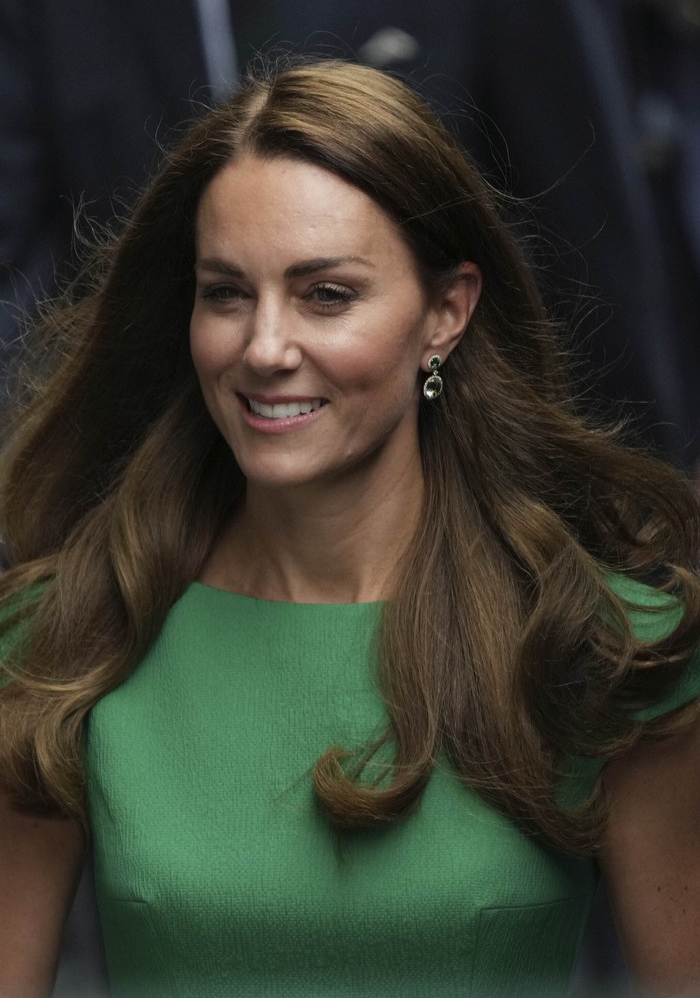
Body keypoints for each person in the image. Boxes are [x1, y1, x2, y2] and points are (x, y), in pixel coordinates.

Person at [1, 59, 699, 998]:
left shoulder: (597, 647)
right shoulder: (70, 637)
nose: (265, 348)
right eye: (226, 293)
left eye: (326, 294)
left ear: (445, 313)